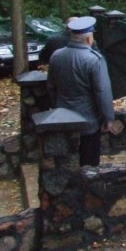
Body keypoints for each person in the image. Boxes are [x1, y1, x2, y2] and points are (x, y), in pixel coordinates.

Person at [46, 17, 115, 167]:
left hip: (62, 116)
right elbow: (102, 91)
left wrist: (57, 105)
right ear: (89, 38)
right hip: (88, 119)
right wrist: (108, 118)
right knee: (89, 161)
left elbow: (51, 86)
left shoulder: (57, 55)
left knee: (64, 161)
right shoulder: (94, 60)